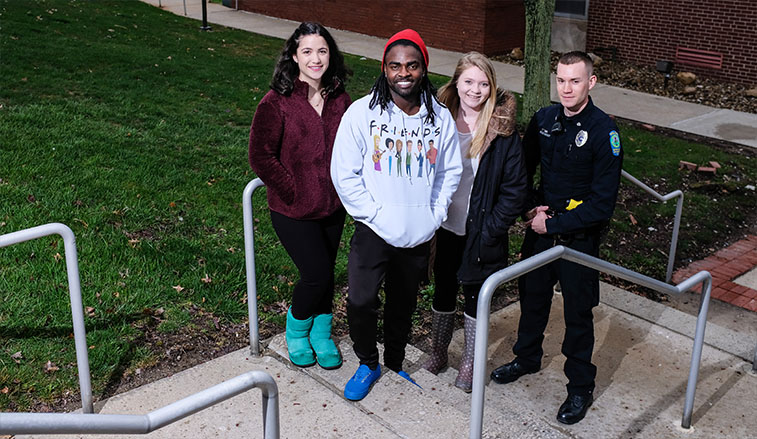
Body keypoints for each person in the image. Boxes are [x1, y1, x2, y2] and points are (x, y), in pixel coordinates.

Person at [489, 51, 623, 425]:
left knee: (578, 313)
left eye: (575, 81)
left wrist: (556, 223)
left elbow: (602, 204)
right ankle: (527, 358)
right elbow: (522, 172)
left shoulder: (603, 133)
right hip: (541, 228)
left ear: (591, 83)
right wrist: (532, 211)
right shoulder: (544, 119)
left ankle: (580, 387)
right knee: (532, 298)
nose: (566, 88)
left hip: (578, 239)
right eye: (561, 80)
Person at [330, 29, 462, 401]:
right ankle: (368, 362)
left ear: (424, 69)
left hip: (418, 231)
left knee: (404, 304)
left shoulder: (439, 118)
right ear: (384, 69)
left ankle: (395, 359)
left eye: (412, 65)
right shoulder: (362, 113)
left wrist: (433, 215)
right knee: (360, 300)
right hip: (374, 228)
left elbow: (451, 171)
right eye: (395, 66)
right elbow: (344, 173)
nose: (403, 73)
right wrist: (372, 214)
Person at [248, 22, 351, 370]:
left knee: (327, 273)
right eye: (307, 51)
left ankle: (321, 335)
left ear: (330, 55)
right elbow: (260, 155)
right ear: (294, 55)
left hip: (333, 207)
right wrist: (293, 189)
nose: (315, 58)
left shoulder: (340, 99)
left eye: (322, 50)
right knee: (316, 274)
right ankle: (296, 330)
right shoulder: (276, 102)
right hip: (292, 209)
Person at [421, 52, 526, 392]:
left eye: (483, 84)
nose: (475, 90)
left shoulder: (502, 133)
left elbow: (515, 188)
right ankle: (438, 352)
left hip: (481, 231)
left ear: (492, 88)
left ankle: (469, 361)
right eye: (468, 81)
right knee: (444, 289)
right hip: (443, 226)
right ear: (456, 82)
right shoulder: (437, 120)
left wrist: (494, 227)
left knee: (475, 295)